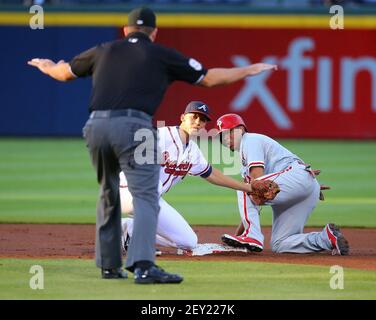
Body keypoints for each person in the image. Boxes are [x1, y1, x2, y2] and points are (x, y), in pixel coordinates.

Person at [27, 7, 277, 284]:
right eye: (194, 117)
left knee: (107, 193)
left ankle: (109, 266)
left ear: (126, 30)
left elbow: (64, 74)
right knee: (147, 198)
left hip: (96, 126)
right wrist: (249, 70)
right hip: (134, 125)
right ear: (154, 33)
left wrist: (47, 66)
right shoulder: (162, 56)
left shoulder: (104, 50)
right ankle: (143, 265)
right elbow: (209, 78)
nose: (198, 121)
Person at [120, 101, 265, 253]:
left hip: (151, 201)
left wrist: (248, 187)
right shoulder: (162, 136)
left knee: (188, 241)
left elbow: (212, 174)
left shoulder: (193, 151)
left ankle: (129, 231)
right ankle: (141, 241)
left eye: (202, 120)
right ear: (182, 117)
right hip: (128, 192)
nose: (198, 122)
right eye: (194, 117)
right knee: (151, 183)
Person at [216, 113, 350, 255]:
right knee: (280, 243)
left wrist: (249, 235)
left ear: (241, 129)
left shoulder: (249, 140)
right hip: (302, 184)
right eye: (222, 136)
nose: (226, 138)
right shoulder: (245, 159)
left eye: (228, 133)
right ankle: (325, 238)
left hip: (296, 177)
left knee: (245, 187)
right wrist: (237, 239)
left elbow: (254, 186)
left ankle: (252, 236)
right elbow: (251, 206)